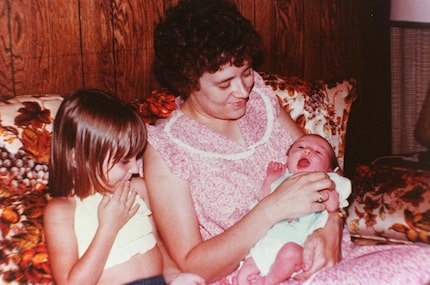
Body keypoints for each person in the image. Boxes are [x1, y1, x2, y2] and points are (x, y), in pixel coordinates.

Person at [144, 0, 430, 284]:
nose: (243, 90)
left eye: (246, 73)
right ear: (186, 81)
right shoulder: (167, 150)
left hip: (323, 249)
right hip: (257, 273)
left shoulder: (261, 101)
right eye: (224, 83)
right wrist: (273, 207)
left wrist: (331, 227)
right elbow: (194, 265)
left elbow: (328, 169)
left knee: (424, 262)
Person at [44, 89, 206, 285]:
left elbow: (159, 245)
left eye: (136, 157)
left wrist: (175, 276)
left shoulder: (137, 189)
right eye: (123, 161)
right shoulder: (62, 211)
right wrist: (109, 227)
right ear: (77, 158)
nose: (136, 168)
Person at [237, 134, 351, 285]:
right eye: (300, 147)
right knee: (247, 268)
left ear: (329, 169)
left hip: (298, 245)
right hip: (268, 242)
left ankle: (268, 281)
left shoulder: (324, 182)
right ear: (288, 158)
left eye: (318, 152)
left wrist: (328, 187)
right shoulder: (283, 180)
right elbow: (264, 201)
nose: (308, 151)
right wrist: (270, 178)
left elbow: (332, 207)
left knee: (290, 253)